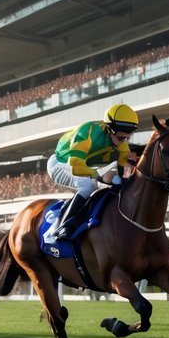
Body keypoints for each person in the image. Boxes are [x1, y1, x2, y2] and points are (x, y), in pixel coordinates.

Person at [48, 103, 139, 240]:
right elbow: (76, 167)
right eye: (121, 138)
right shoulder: (87, 132)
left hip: (87, 166)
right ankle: (65, 224)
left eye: (127, 138)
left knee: (118, 181)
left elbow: (125, 167)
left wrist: (126, 178)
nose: (123, 142)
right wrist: (101, 176)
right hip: (62, 163)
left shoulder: (121, 142)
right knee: (88, 185)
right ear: (110, 129)